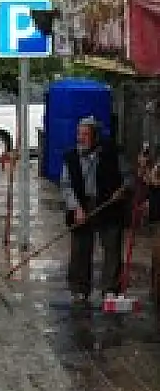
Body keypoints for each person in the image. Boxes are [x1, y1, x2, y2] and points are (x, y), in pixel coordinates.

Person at [61, 116, 134, 303]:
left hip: (108, 204)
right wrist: (76, 208)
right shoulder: (70, 157)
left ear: (95, 136)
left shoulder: (113, 153)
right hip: (81, 204)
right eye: (79, 134)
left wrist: (123, 190)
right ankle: (79, 289)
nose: (81, 138)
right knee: (80, 248)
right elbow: (66, 186)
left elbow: (128, 177)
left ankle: (110, 289)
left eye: (85, 134)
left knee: (112, 247)